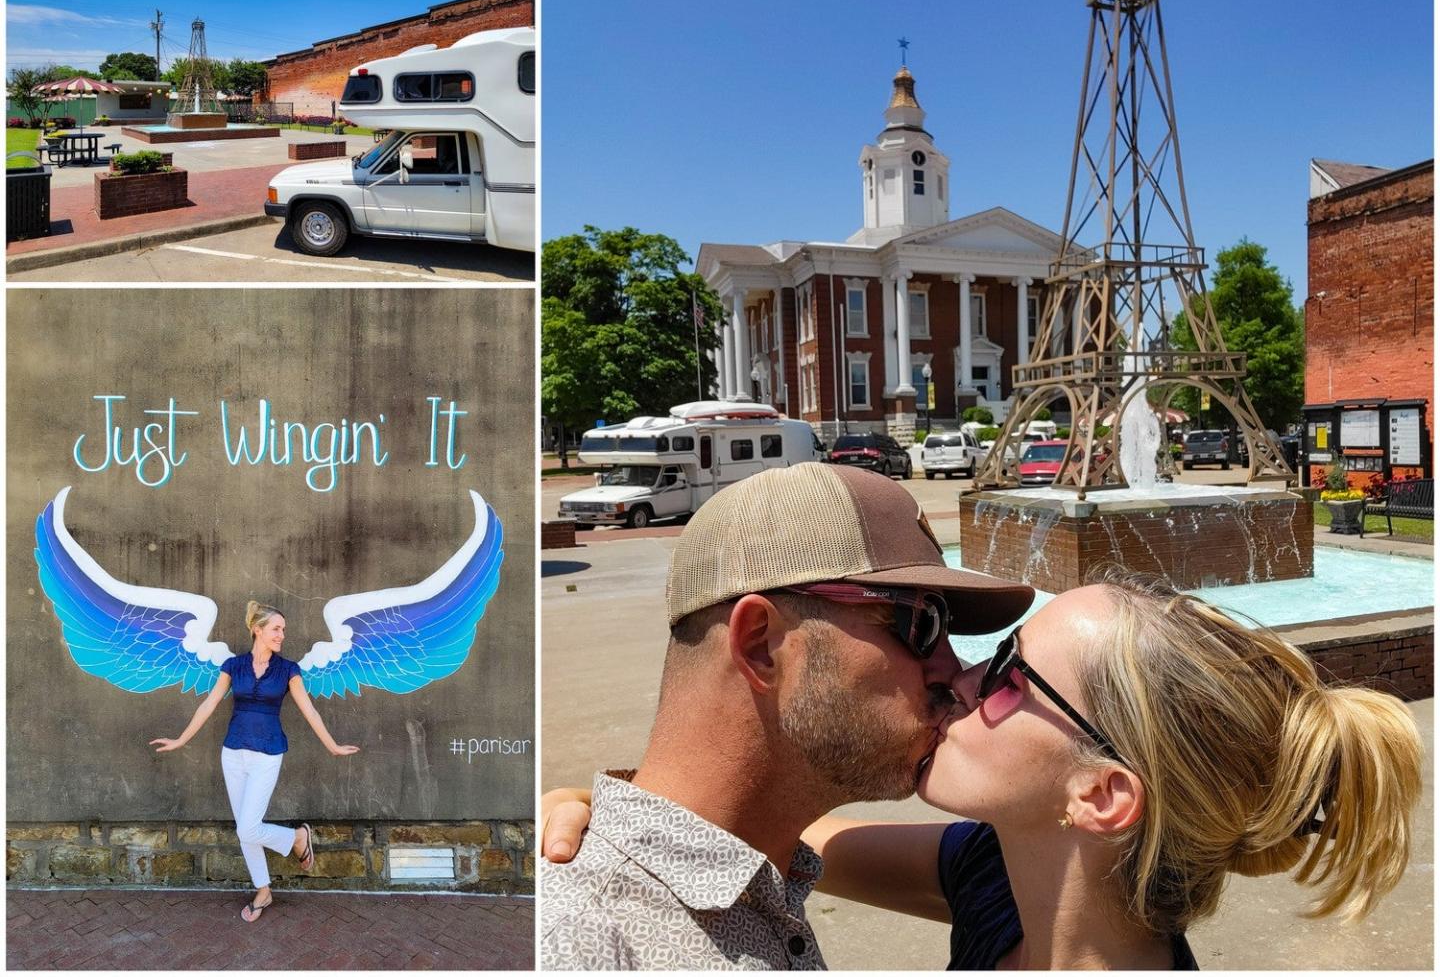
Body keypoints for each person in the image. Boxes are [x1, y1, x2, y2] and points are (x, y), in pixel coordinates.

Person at [546, 566, 1425, 969]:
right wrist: (623, 809)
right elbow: (791, 827)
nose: (958, 677)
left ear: (1102, 792)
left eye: (1009, 674)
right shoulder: (989, 873)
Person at [539, 461, 1033, 969]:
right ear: (761, 646)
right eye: (922, 623)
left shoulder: (763, 873)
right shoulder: (572, 944)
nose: (954, 673)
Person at [150, 601, 361, 922]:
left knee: (248, 827)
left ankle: (296, 839)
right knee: (245, 829)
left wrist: (331, 745)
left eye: (283, 630)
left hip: (268, 754)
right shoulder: (233, 666)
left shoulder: (288, 670)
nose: (281, 635)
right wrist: (181, 739)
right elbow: (208, 704)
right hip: (233, 753)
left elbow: (310, 710)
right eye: (276, 629)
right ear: (257, 630)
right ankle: (264, 889)